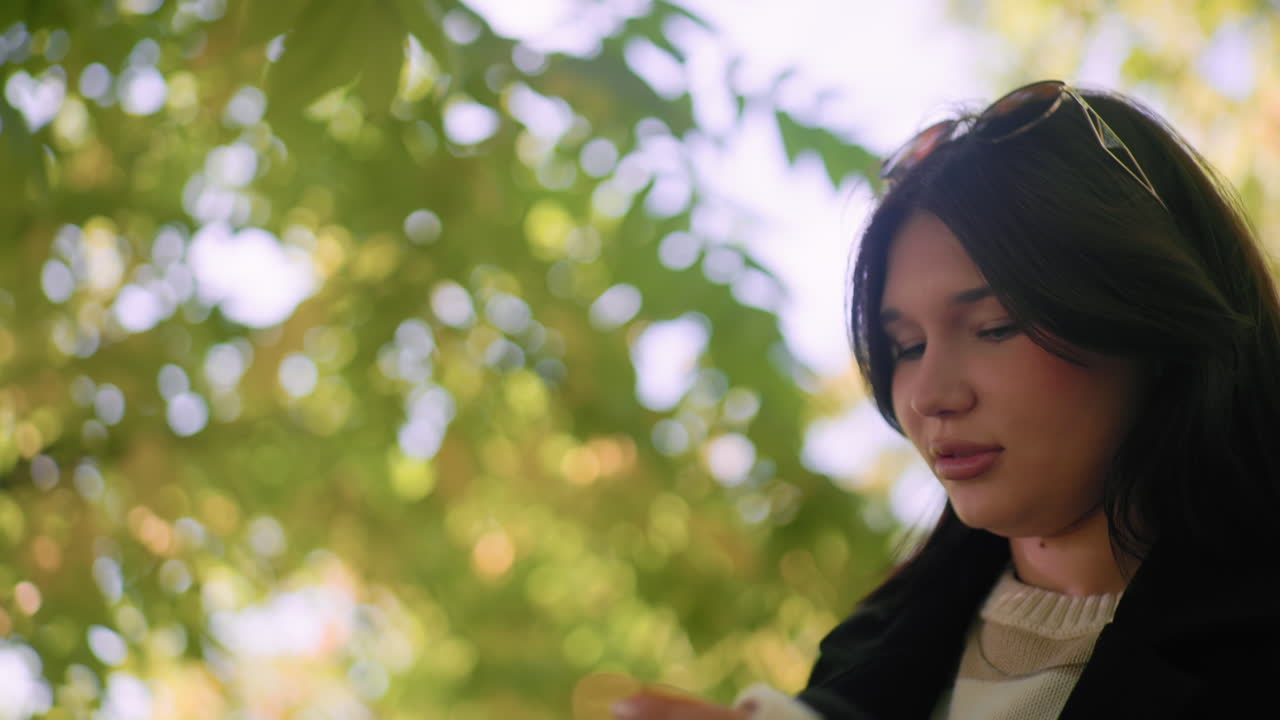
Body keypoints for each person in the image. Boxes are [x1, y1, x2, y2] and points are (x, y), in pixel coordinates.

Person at [608, 80, 1280, 720]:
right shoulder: (864, 660)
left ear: (1150, 316)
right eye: (905, 347)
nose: (929, 396)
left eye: (994, 327)